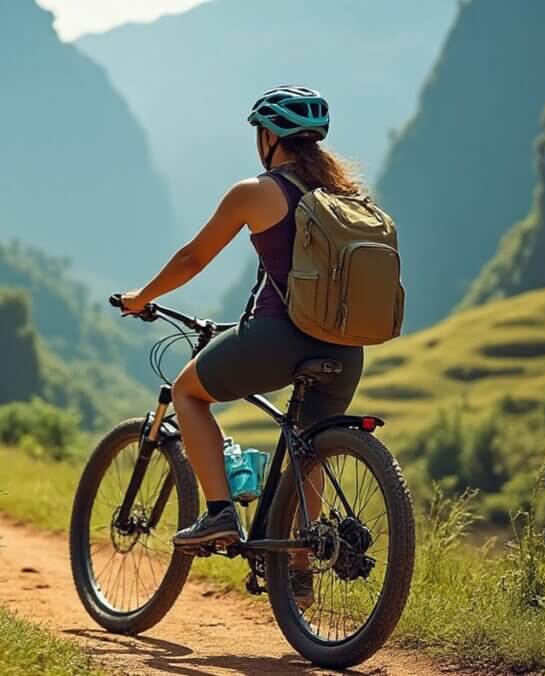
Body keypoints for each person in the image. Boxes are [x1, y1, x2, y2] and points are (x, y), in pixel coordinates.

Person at [119, 86, 365, 597]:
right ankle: (299, 565)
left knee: (188, 393)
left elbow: (192, 260)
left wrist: (142, 296)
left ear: (269, 136)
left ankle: (219, 514)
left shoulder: (257, 191)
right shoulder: (346, 197)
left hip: (278, 337)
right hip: (346, 349)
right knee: (310, 446)